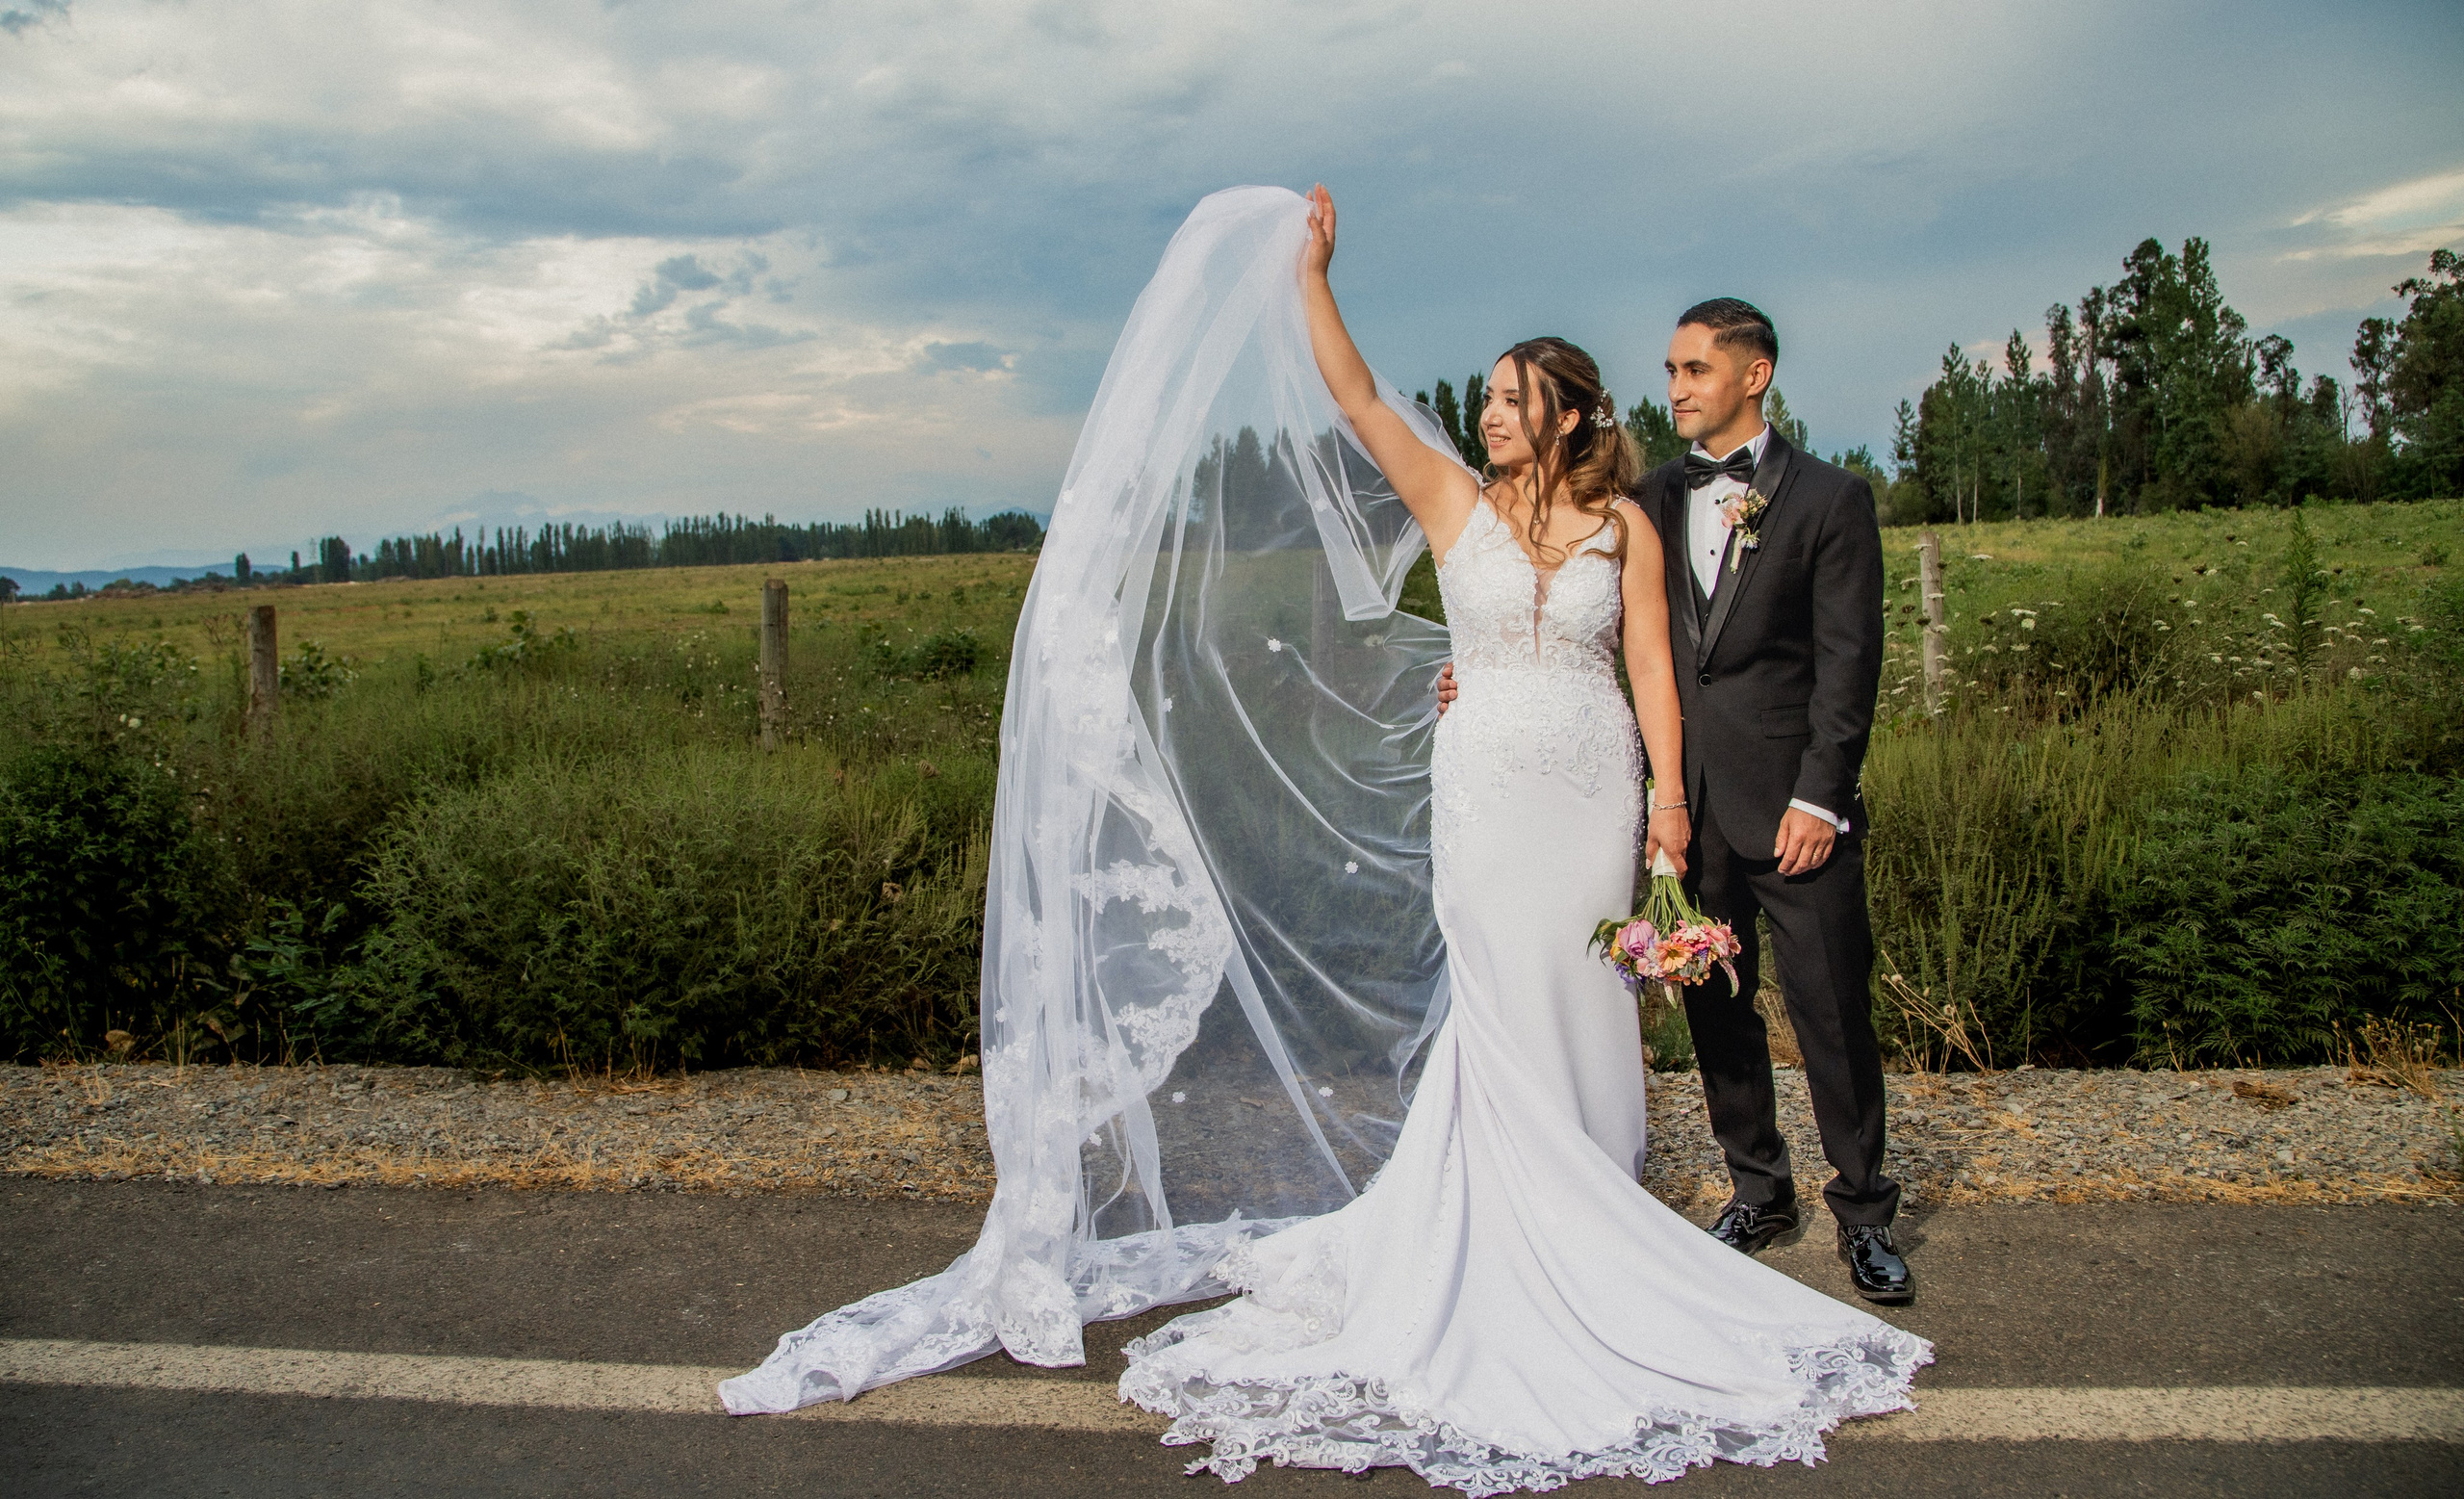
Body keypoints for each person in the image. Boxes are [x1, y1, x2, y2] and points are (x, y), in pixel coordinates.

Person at [1113, 187, 1927, 1489]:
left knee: (1589, 1001)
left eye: (1507, 397)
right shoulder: (1451, 502)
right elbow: (1362, 398)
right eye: (1485, 397)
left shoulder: (1628, 523)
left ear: (1562, 411)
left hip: (1594, 792)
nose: (1486, 413)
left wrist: (1666, 806)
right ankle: (1509, 1232)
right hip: (1487, 795)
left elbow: (1655, 666)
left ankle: (1617, 1207)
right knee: (1496, 999)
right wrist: (1317, 273)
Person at [1439, 298, 1908, 1306]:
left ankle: (1865, 1211)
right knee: (1714, 1013)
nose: (1677, 388)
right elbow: (1590, 628)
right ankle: (1758, 1190)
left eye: (1696, 370)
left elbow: (1847, 667)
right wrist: (1470, 675)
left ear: (1755, 374)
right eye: (1670, 370)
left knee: (1829, 1008)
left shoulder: (1831, 501)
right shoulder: (1637, 502)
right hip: (1678, 808)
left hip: (1792, 806)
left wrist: (1820, 800)